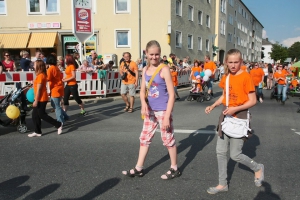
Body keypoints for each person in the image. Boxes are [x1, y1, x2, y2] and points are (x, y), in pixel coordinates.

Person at [205, 49, 264, 194]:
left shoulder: (245, 77)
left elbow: (253, 100)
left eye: (236, 62)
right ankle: (222, 184)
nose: (233, 65)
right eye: (230, 62)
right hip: (226, 116)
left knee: (235, 155)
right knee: (220, 152)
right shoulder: (226, 77)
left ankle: (258, 168)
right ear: (226, 62)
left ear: (241, 62)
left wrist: (235, 109)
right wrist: (213, 105)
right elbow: (224, 96)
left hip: (240, 117)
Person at [122, 40, 181, 179]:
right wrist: (143, 103)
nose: (154, 57)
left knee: (167, 139)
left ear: (160, 54)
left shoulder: (164, 69)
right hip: (150, 110)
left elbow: (172, 94)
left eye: (157, 54)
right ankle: (139, 168)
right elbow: (142, 91)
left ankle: (174, 168)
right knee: (144, 138)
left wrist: (167, 115)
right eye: (151, 54)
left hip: (163, 110)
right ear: (146, 54)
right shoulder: (145, 69)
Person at [28, 60, 63, 137]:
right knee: (35, 115)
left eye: (34, 65)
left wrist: (36, 101)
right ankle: (37, 132)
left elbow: (40, 89)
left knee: (42, 115)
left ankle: (58, 124)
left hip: (41, 98)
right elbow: (38, 87)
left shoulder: (41, 76)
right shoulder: (40, 75)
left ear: (38, 66)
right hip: (39, 97)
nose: (33, 66)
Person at [46, 54, 69, 124]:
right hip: (59, 87)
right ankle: (65, 116)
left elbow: (48, 78)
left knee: (56, 106)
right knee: (55, 105)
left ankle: (60, 121)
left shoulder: (50, 69)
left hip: (55, 88)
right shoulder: (56, 67)